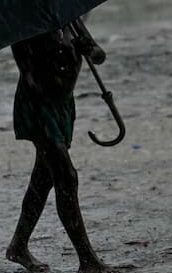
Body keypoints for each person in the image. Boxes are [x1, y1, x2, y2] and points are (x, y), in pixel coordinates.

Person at [7, 18, 117, 273]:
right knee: (66, 177)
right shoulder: (23, 25)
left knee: (43, 177)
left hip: (62, 105)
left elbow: (97, 55)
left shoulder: (70, 16)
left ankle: (18, 246)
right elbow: (28, 71)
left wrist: (87, 47)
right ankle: (87, 259)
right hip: (39, 106)